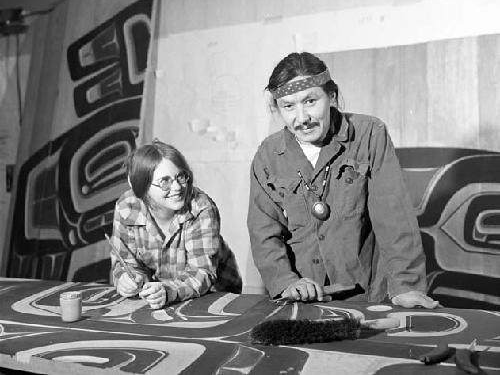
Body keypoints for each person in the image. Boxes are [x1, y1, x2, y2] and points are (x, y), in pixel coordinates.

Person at [247, 51, 438, 308]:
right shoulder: (268, 155)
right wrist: (286, 282)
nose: (301, 117)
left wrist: (405, 286)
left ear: (332, 97)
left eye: (310, 101)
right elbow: (264, 231)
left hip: (368, 296)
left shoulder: (370, 134)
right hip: (303, 299)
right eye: (288, 106)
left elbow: (394, 219)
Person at [110, 140, 241, 309]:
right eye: (164, 181)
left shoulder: (201, 208)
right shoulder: (127, 207)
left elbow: (202, 272)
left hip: (214, 295)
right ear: (139, 184)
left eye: (180, 176)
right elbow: (125, 263)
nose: (178, 187)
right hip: (160, 297)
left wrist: (168, 291)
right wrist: (128, 279)